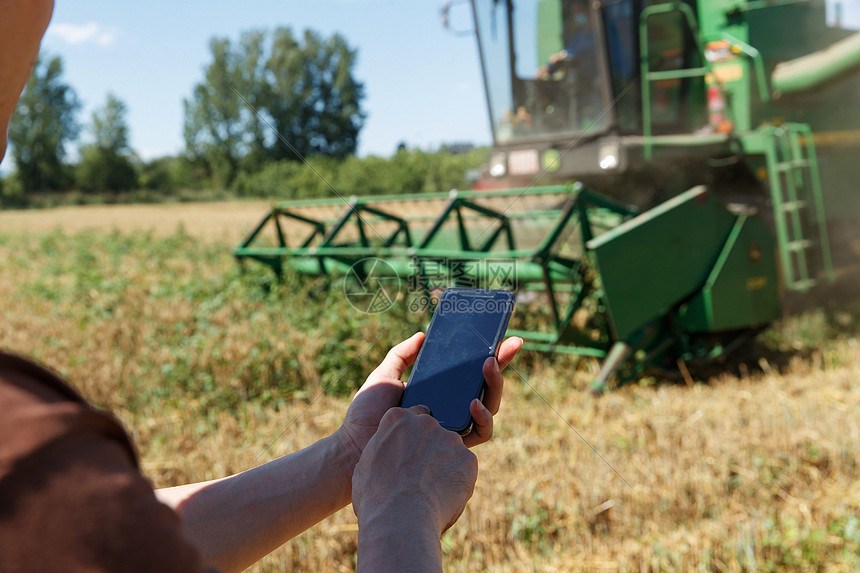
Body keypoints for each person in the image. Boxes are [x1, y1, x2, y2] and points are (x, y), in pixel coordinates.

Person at [0, 1, 524, 571]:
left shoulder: (36, 483)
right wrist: (401, 507)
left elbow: (121, 543)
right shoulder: (31, 450)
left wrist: (351, 456)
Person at [536, 1, 596, 80]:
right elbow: (567, 52)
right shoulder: (578, 37)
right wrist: (547, 67)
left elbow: (570, 53)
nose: (577, 15)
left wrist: (561, 56)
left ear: (589, 9)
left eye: (579, 11)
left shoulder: (602, 31)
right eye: (574, 13)